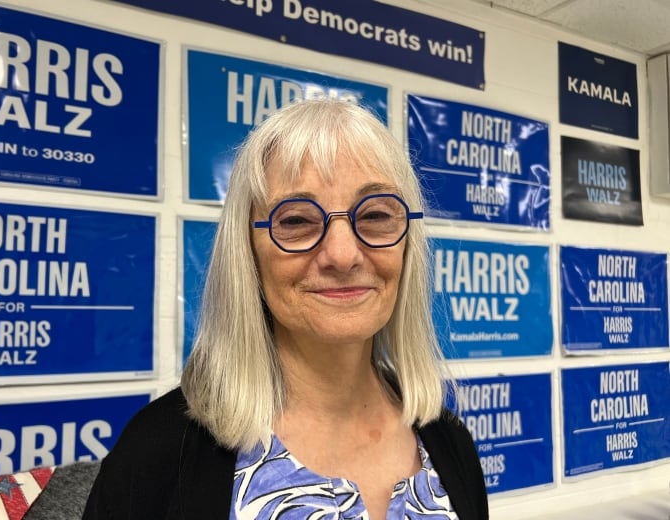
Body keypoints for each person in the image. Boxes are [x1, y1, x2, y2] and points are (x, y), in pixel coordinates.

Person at [82, 99, 488, 519]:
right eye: (295, 220)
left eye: (375, 214)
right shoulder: (159, 454)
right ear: (248, 253)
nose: (344, 254)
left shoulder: (449, 443)